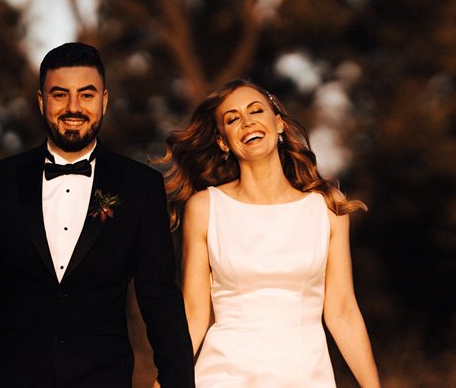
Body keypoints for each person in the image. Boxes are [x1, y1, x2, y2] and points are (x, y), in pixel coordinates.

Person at [0, 42, 194, 388]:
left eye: (86, 95)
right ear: (42, 101)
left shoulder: (140, 187)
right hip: (7, 378)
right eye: (60, 95)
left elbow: (160, 298)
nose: (73, 107)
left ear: (104, 100)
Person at [161, 79, 380, 387]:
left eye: (255, 110)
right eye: (232, 119)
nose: (247, 122)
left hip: (306, 377)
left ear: (277, 123)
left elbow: (342, 310)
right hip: (223, 377)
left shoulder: (327, 207)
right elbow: (194, 313)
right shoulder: (205, 207)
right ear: (223, 142)